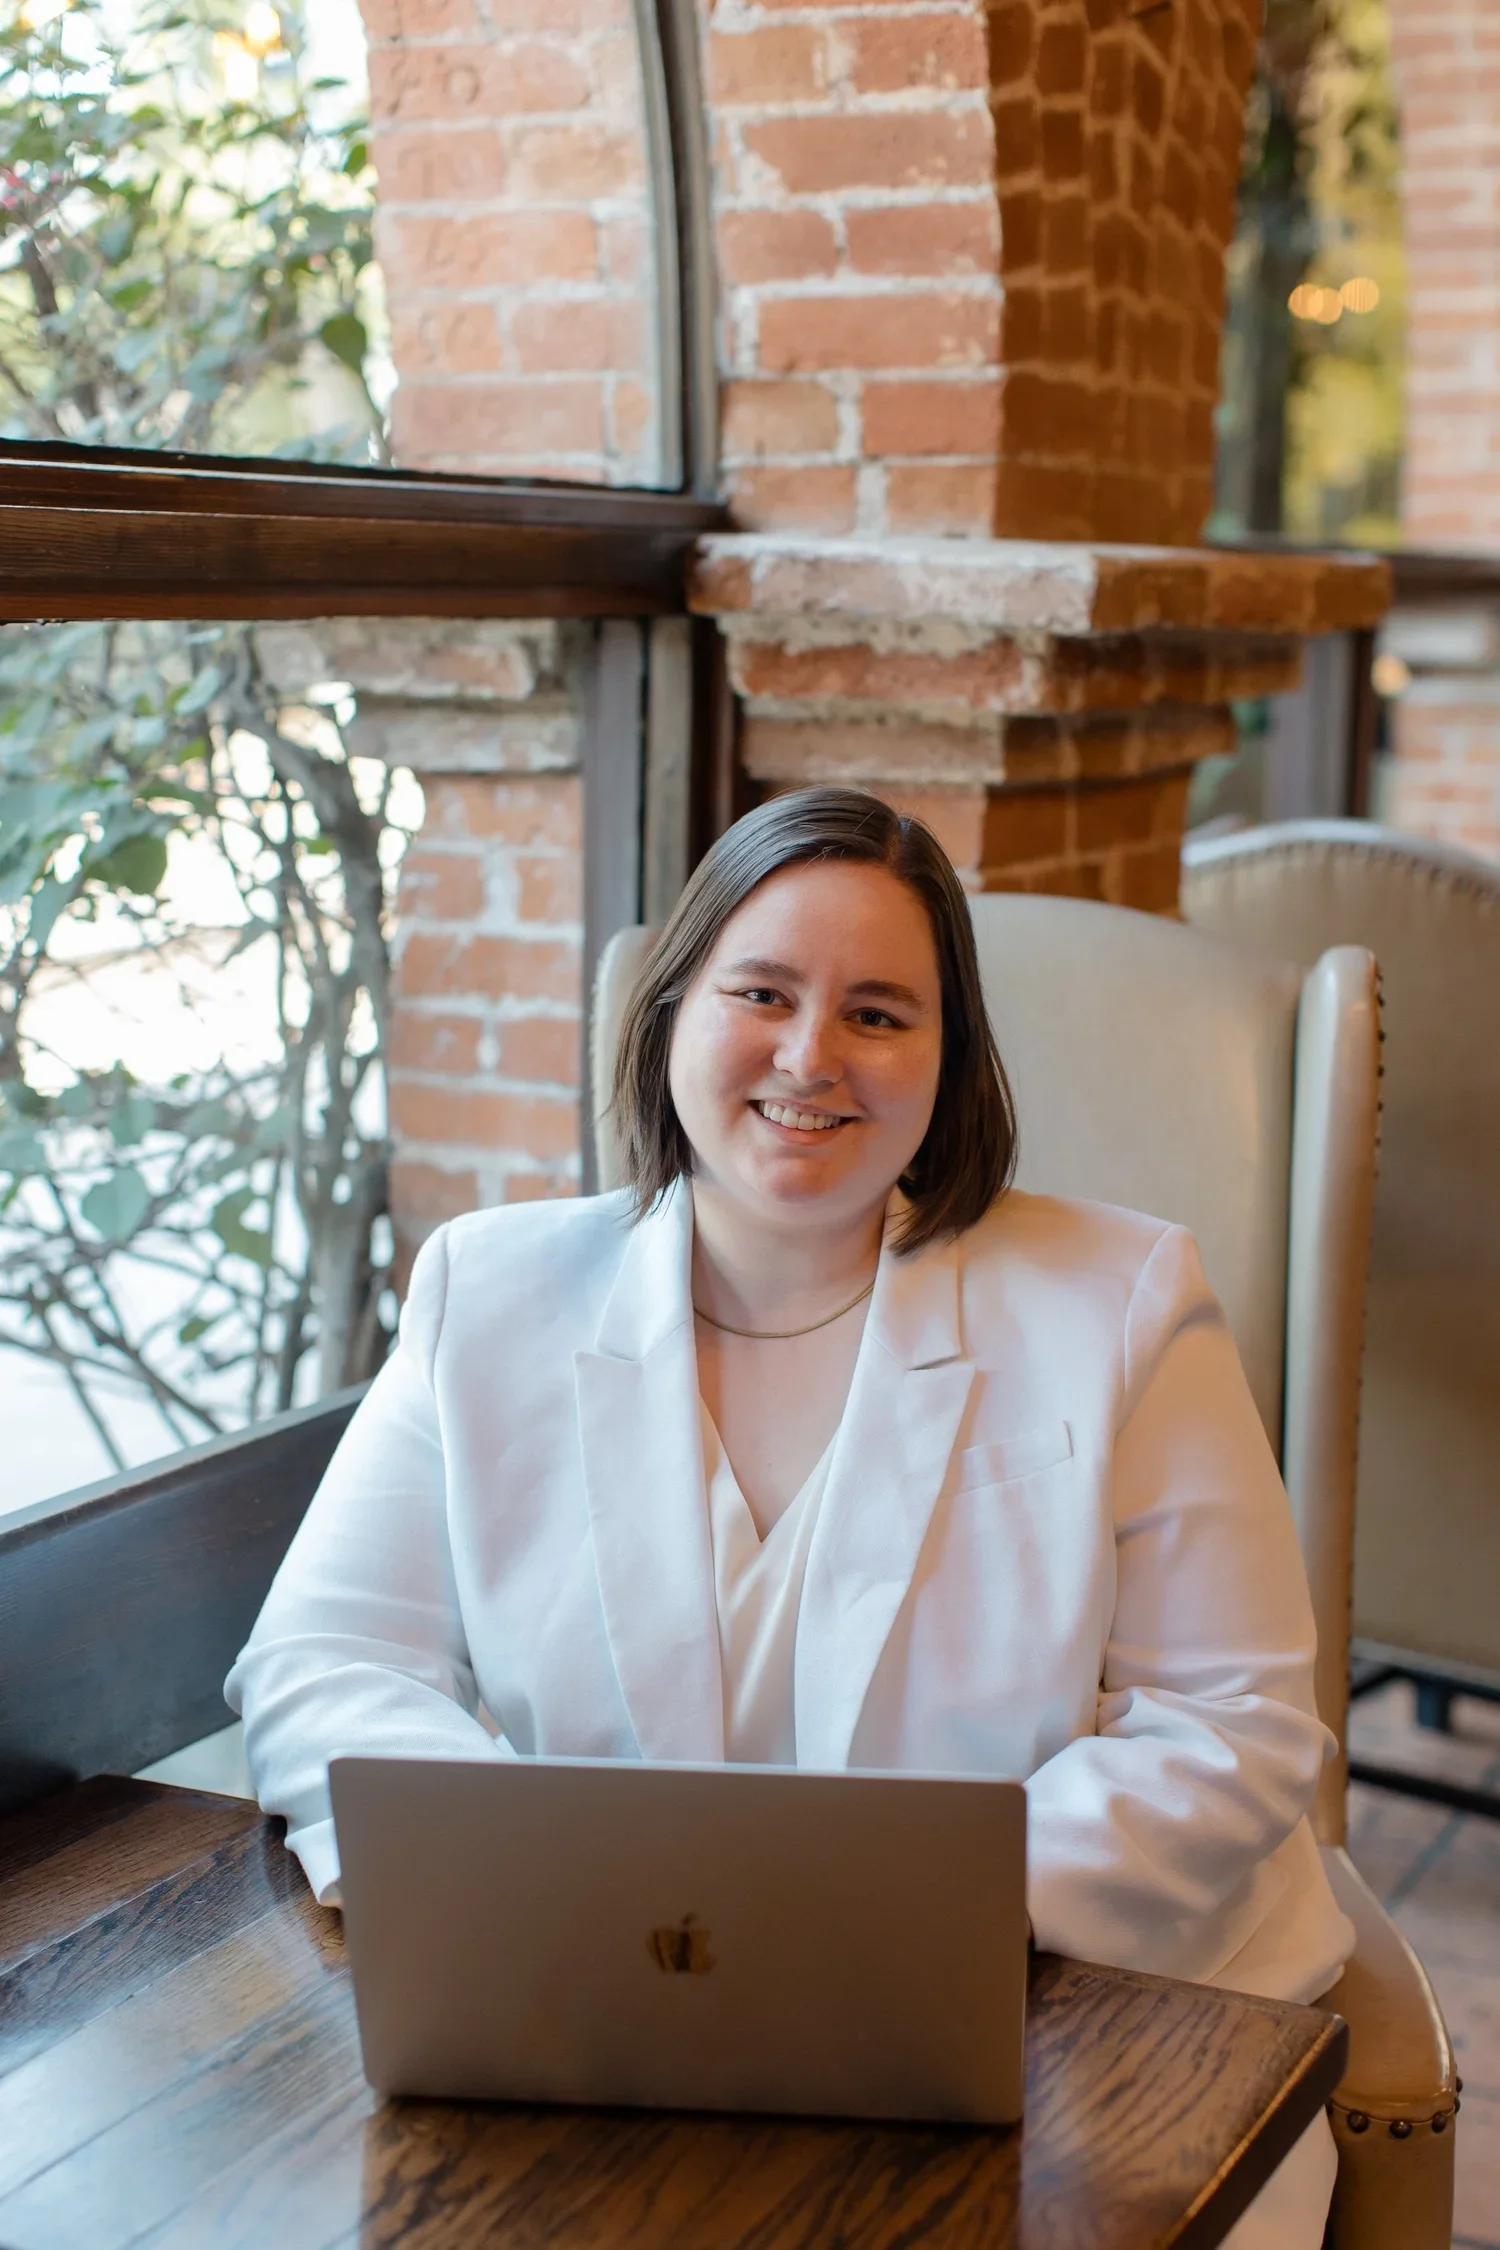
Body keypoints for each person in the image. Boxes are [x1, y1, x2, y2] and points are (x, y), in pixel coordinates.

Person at [227, 787, 1352, 2247]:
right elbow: (321, 1658)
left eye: (881, 1012)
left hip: (1066, 2025)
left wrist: (913, 1918)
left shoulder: (1124, 1300)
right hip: (606, 2031)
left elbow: (1236, 1723)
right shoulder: (483, 1292)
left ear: (948, 1061)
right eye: (761, 991)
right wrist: (525, 1896)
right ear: (672, 1009)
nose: (811, 1055)